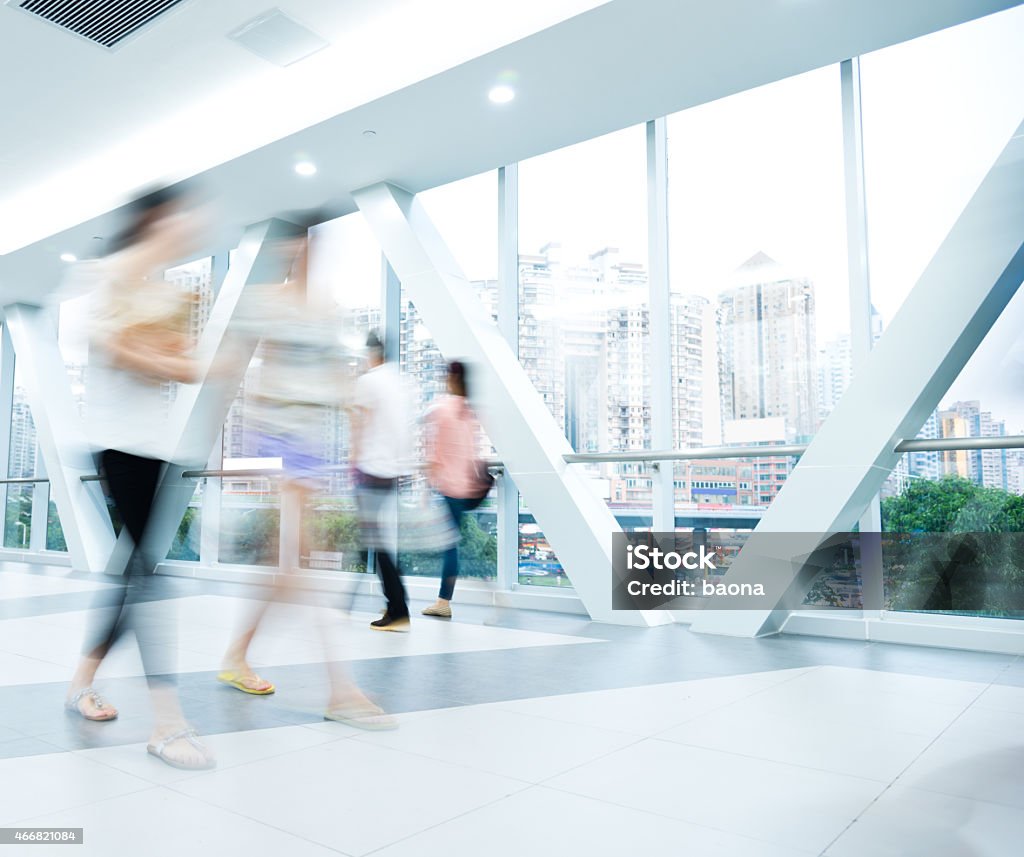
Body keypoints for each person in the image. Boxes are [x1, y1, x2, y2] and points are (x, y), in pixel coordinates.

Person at [216, 235, 395, 728]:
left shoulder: (326, 311)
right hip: (282, 444)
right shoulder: (268, 303)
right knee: (305, 566)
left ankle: (236, 655)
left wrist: (353, 408)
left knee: (285, 566)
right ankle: (341, 691)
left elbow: (335, 378)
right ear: (292, 251)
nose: (314, 253)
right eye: (306, 244)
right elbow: (247, 374)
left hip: (314, 448)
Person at [64, 185, 215, 770]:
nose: (189, 232)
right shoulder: (113, 275)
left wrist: (176, 355)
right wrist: (175, 358)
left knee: (133, 575)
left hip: (155, 448)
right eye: (181, 221)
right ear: (157, 222)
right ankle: (167, 724)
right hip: (118, 445)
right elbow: (123, 352)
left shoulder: (161, 290)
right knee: (150, 582)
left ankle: (81, 682)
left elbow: (174, 358)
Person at [350, 331, 414, 631]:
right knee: (375, 539)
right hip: (393, 470)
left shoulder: (368, 381)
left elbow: (358, 424)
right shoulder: (399, 381)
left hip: (371, 468)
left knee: (374, 540)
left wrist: (353, 461)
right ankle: (395, 603)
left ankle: (397, 607)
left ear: (370, 353)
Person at [422, 361, 492, 618]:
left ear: (450, 378)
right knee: (453, 544)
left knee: (449, 546)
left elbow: (435, 453)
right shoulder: (468, 410)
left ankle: (446, 601)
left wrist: (426, 488)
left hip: (449, 487)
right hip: (467, 488)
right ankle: (448, 599)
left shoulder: (442, 408)